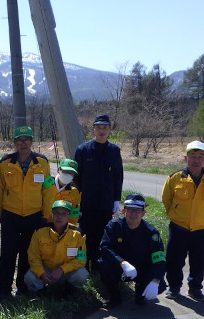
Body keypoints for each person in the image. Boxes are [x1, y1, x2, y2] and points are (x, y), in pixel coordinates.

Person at [0, 125, 55, 299]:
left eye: (27, 139)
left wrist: (45, 215)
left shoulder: (42, 162)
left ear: (31, 141)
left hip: (33, 216)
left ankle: (23, 288)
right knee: (7, 254)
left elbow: (48, 190)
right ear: (14, 142)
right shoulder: (5, 162)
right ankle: (2, 290)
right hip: (10, 215)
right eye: (20, 140)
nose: (23, 143)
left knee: (28, 254)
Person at [161, 141, 204, 301]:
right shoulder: (175, 178)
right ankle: (174, 288)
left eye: (200, 157)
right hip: (179, 227)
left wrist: (202, 214)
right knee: (174, 260)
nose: (196, 160)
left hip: (202, 228)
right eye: (193, 156)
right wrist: (175, 214)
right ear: (186, 158)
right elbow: (167, 200)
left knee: (199, 261)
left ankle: (195, 288)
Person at [98, 194, 167, 308]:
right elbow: (105, 247)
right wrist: (122, 263)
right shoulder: (113, 226)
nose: (134, 213)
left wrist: (155, 280)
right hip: (120, 267)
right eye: (130, 210)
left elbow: (159, 258)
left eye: (138, 210)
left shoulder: (151, 232)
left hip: (142, 269)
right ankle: (115, 297)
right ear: (123, 211)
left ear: (143, 213)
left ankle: (140, 293)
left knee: (160, 285)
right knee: (103, 264)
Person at [73, 114, 123, 269]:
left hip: (106, 202)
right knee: (86, 235)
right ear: (93, 129)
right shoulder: (83, 150)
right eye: (98, 127)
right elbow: (76, 177)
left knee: (103, 234)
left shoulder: (114, 150)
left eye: (105, 127)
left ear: (110, 129)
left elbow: (118, 176)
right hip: (87, 202)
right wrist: (76, 199)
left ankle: (99, 265)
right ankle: (84, 264)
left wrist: (116, 199)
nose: (101, 131)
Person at [24, 200, 88, 297]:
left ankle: (70, 292)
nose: (59, 216)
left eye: (63, 213)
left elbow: (81, 260)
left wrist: (62, 269)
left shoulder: (78, 234)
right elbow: (33, 257)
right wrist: (41, 273)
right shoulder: (40, 232)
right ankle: (39, 293)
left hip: (66, 272)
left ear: (69, 216)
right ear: (51, 215)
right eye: (56, 213)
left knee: (82, 274)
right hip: (47, 272)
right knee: (29, 277)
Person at [46, 158, 81, 225]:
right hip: (44, 224)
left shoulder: (75, 191)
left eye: (71, 173)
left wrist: (69, 228)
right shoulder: (47, 183)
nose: (68, 175)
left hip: (62, 228)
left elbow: (74, 214)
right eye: (65, 171)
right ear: (58, 170)